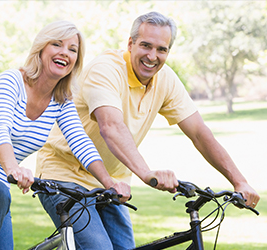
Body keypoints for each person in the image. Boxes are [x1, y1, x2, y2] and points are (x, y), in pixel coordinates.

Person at [35, 12, 260, 250]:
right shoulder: (106, 69)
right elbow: (110, 126)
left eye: (161, 49)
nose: (152, 56)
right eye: (145, 46)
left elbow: (199, 133)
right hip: (64, 175)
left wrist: (239, 182)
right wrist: (146, 173)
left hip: (113, 183)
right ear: (130, 44)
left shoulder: (165, 80)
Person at [0, 20, 121, 250]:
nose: (64, 53)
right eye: (57, 44)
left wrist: (109, 184)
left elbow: (80, 141)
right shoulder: (11, 81)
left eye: (72, 49)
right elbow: (0, 129)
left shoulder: (62, 100)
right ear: (41, 49)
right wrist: (13, 169)